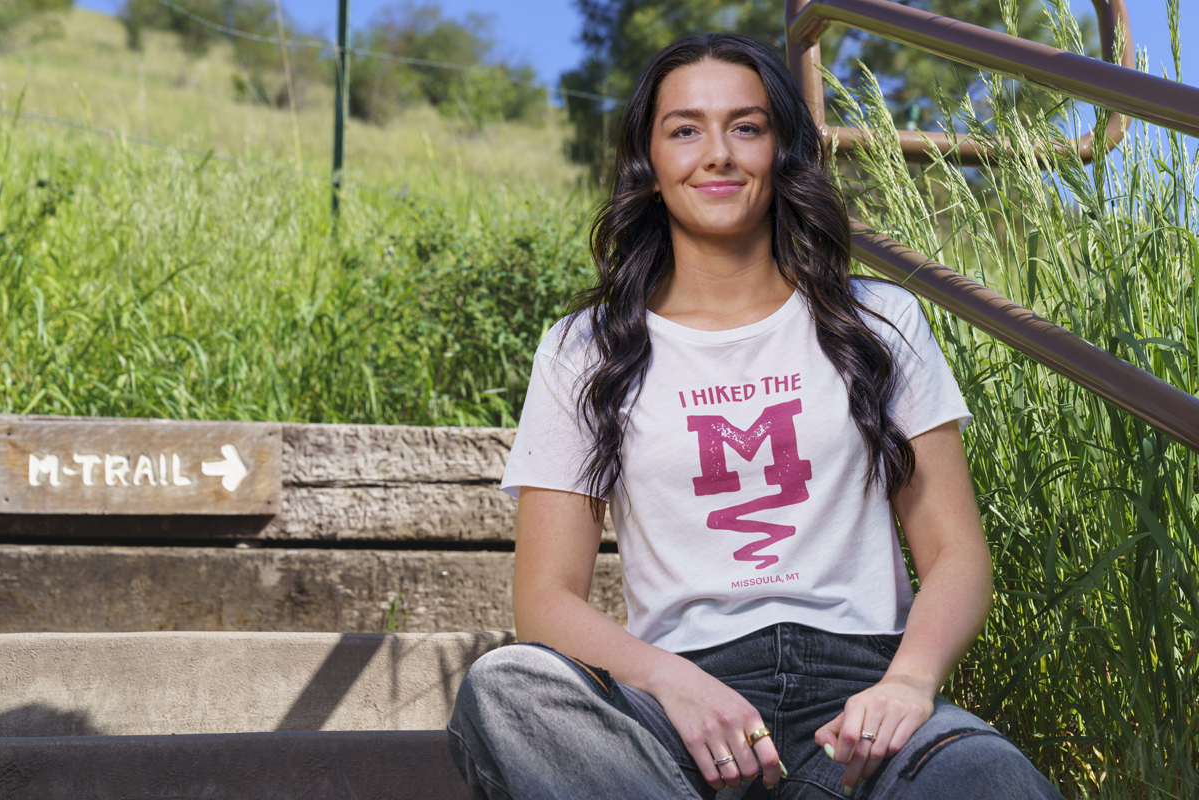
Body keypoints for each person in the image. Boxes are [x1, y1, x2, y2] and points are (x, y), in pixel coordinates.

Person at [448, 33, 1064, 800]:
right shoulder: (586, 347)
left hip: (861, 706)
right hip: (675, 709)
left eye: (747, 126)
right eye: (684, 129)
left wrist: (908, 683)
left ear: (783, 150)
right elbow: (544, 599)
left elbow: (957, 555)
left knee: (986, 772)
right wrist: (671, 682)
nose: (718, 154)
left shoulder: (878, 321)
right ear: (649, 161)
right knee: (508, 687)